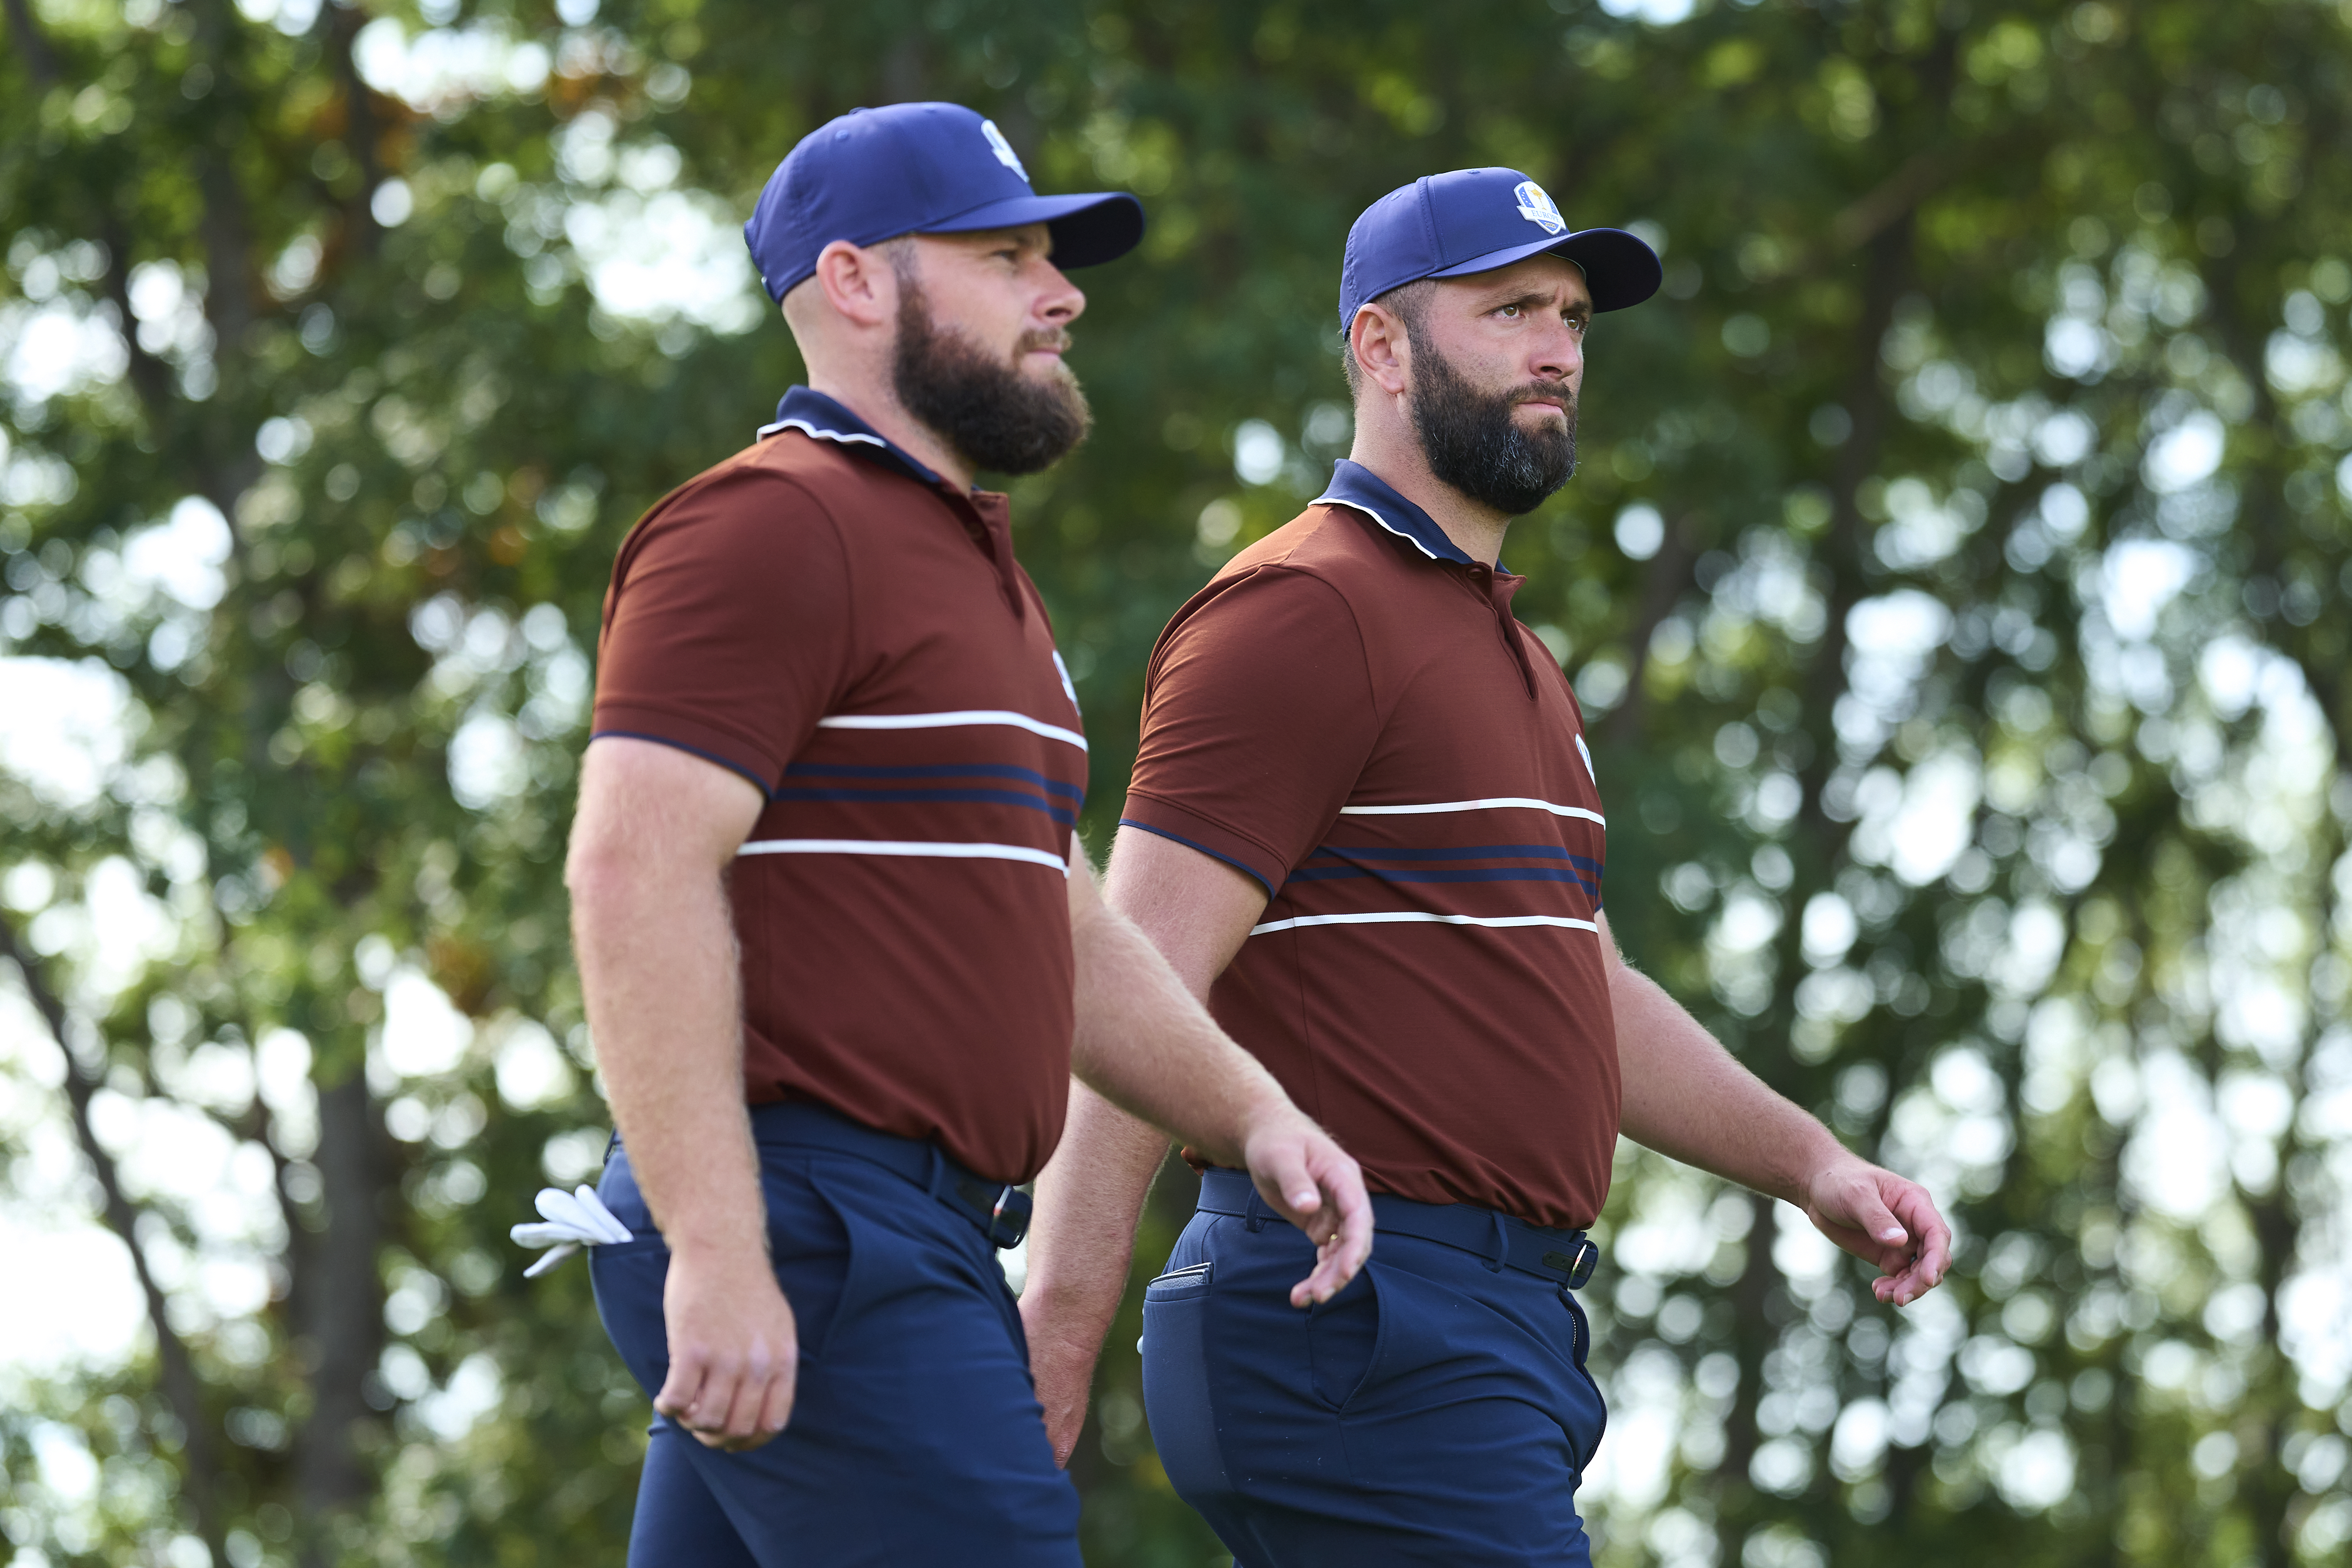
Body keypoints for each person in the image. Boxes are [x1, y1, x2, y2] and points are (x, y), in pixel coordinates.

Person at [1017, 167, 1954, 1566]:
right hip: (1355, 1314)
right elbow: (1131, 982)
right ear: (1380, 349)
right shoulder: (1300, 609)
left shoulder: (1511, 654)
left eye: (1571, 315)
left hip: (1492, 1330)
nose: (1557, 348)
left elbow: (1579, 986)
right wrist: (1055, 1333)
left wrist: (1809, 1164)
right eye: (1510, 307)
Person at [566, 102, 1371, 1568]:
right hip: (816, 1225)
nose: (1059, 293)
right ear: (859, 281)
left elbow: (1049, 916)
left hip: (891, 1229)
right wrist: (721, 1247)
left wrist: (1249, 1110)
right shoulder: (764, 525)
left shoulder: (969, 569)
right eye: (1006, 256)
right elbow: (633, 868)